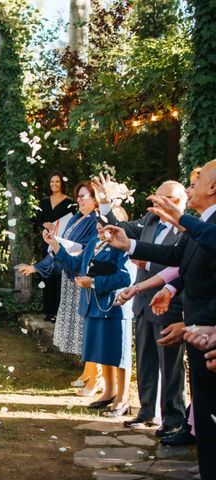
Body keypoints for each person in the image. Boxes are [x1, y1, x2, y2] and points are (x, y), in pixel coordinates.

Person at [103, 159, 216, 479]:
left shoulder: (206, 226)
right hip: (194, 327)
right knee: (206, 408)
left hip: (207, 329)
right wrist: (130, 244)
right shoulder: (200, 223)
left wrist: (180, 219)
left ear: (213, 187)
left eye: (199, 180)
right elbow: (176, 258)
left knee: (211, 409)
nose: (192, 185)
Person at [95, 178, 188, 436]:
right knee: (146, 360)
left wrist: (146, 266)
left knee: (170, 365)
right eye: (155, 196)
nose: (154, 202)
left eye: (162, 197)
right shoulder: (149, 222)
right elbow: (118, 230)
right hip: (142, 303)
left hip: (168, 304)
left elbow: (178, 265)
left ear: (177, 202)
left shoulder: (185, 229)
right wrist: (104, 205)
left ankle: (173, 417)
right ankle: (147, 410)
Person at [21, 181, 102, 394]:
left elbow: (89, 249)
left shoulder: (97, 221)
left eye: (85, 196)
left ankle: (96, 377)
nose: (81, 200)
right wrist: (39, 263)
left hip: (83, 277)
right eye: (79, 196)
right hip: (69, 276)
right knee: (78, 330)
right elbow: (61, 245)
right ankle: (87, 371)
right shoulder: (76, 218)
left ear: (96, 199)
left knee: (87, 330)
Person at [45, 220, 132, 415]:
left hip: (114, 305)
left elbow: (126, 278)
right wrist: (55, 245)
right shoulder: (93, 242)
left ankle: (123, 398)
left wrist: (93, 282)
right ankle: (109, 391)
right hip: (92, 305)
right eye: (99, 229)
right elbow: (76, 265)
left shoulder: (123, 245)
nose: (100, 233)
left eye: (105, 229)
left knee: (118, 353)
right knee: (103, 352)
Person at [33, 171, 77, 321]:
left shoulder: (69, 202)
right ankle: (49, 311)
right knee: (47, 274)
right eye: (52, 182)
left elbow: (73, 222)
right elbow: (37, 220)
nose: (54, 184)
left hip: (61, 243)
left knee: (59, 275)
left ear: (62, 184)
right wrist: (43, 223)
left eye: (57, 182)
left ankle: (59, 313)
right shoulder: (44, 202)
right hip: (46, 242)